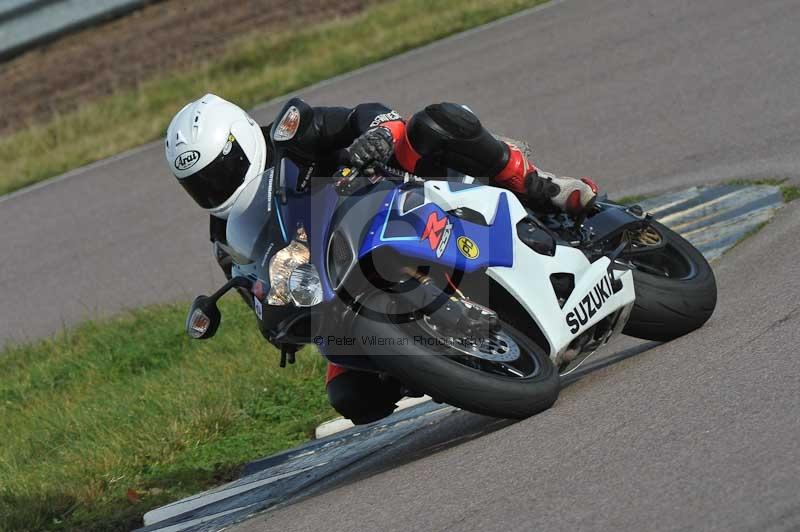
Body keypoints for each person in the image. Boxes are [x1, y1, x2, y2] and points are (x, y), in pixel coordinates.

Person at [165, 93, 598, 424]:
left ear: (239, 140)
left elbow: (369, 114)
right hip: (339, 280)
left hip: (395, 197)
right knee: (352, 396)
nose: (213, 187)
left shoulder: (291, 131)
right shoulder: (224, 234)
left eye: (218, 170)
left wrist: (377, 135)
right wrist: (270, 307)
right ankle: (440, 362)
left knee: (435, 122)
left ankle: (539, 184)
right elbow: (257, 289)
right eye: (198, 183)